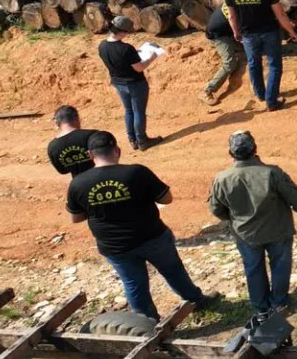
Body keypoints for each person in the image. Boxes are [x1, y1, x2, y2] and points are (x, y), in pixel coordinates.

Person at [67, 131, 216, 320]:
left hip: (114, 246)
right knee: (173, 271)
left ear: (90, 155)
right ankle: (197, 302)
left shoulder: (78, 183)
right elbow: (167, 198)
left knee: (133, 284)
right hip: (151, 236)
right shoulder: (136, 172)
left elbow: (76, 218)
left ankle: (147, 324)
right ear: (117, 151)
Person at [207, 131, 297, 315]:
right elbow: (293, 196)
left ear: (231, 154)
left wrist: (233, 219)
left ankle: (260, 307)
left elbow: (216, 209)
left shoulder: (221, 179)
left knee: (253, 268)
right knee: (280, 264)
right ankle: (279, 303)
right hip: (277, 229)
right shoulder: (272, 172)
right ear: (255, 149)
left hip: (245, 234)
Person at [224, 0, 297, 112]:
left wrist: (236, 32)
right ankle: (271, 101)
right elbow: (280, 15)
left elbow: (232, 16)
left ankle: (261, 94)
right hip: (269, 32)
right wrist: (291, 32)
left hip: (248, 35)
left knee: (253, 64)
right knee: (274, 65)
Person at [99, 15, 162, 150]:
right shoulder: (126, 48)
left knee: (128, 110)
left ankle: (132, 140)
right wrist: (152, 57)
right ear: (122, 32)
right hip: (135, 83)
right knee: (138, 111)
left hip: (117, 82)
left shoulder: (102, 45)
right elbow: (139, 68)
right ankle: (142, 140)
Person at [202, 3, 244, 104]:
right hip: (219, 35)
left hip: (227, 32)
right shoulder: (239, 1)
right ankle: (207, 91)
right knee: (230, 63)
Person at [47, 105, 102, 177]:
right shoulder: (93, 135)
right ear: (77, 118)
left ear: (57, 123)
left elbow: (63, 170)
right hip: (102, 179)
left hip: (78, 184)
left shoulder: (53, 147)